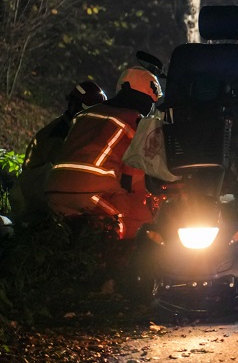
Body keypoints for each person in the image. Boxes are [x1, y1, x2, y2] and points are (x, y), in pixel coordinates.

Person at [45, 67, 160, 240]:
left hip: (53, 192)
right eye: (149, 101)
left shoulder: (84, 114)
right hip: (93, 195)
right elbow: (134, 177)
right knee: (143, 224)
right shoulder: (136, 122)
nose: (149, 107)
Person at [10, 81, 107, 220]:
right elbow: (64, 172)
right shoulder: (57, 135)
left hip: (43, 187)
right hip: (33, 190)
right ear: (73, 106)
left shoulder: (75, 129)